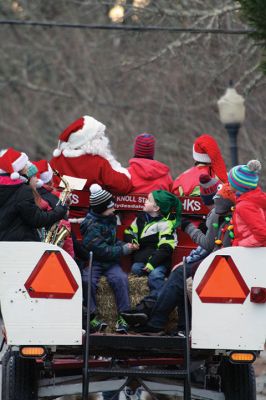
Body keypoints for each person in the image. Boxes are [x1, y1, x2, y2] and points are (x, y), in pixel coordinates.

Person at [122, 178, 236, 336]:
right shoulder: (225, 214)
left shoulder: (218, 215)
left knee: (178, 275)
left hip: (222, 263)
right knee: (181, 275)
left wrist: (188, 227)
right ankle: (181, 326)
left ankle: (153, 318)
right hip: (219, 259)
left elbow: (209, 245)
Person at [50, 115, 132, 221]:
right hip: (94, 222)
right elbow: (122, 187)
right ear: (91, 140)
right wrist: (120, 171)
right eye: (99, 137)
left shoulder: (57, 161)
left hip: (62, 220)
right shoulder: (98, 163)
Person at [80, 183, 137, 334]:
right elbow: (101, 250)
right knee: (87, 280)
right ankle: (90, 316)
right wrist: (123, 249)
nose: (114, 209)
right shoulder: (91, 225)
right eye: (110, 206)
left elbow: (110, 241)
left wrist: (125, 244)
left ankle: (124, 316)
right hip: (96, 260)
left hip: (110, 262)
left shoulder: (110, 218)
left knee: (120, 279)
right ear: (101, 209)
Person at [124, 190, 182, 315]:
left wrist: (151, 264)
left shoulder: (165, 224)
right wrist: (133, 241)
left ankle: (150, 304)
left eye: (148, 200)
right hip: (142, 260)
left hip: (159, 262)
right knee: (135, 268)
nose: (144, 202)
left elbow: (166, 248)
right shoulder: (140, 219)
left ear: (156, 208)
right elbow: (129, 232)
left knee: (155, 276)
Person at [0, 148, 67, 241]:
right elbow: (36, 219)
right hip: (20, 244)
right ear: (20, 170)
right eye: (25, 165)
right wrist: (60, 210)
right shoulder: (22, 190)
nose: (28, 167)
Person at [120, 133, 173, 226]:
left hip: (128, 230)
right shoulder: (165, 176)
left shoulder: (126, 174)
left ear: (135, 150)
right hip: (157, 231)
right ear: (152, 151)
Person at [228, 159, 266, 247]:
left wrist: (240, 245)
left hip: (249, 253)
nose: (228, 183)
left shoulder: (245, 206)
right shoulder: (256, 198)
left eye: (230, 181)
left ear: (238, 186)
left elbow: (262, 234)